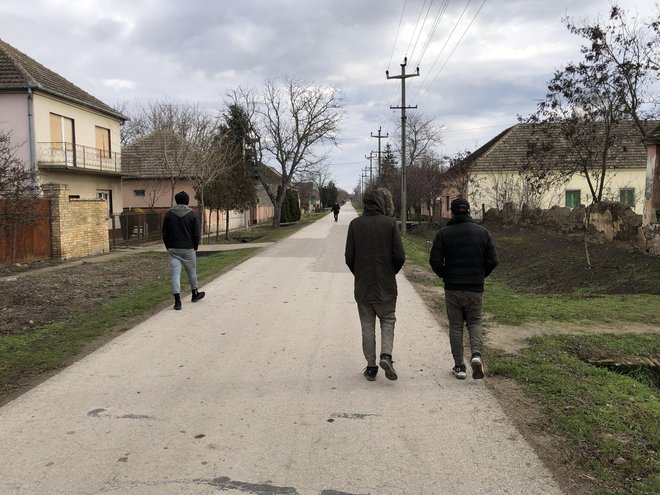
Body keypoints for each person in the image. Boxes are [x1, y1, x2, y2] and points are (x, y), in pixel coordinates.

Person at [429, 197, 498, 380]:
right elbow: (493, 260)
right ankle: (476, 356)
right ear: (468, 211)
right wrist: (481, 275)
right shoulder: (483, 233)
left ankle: (459, 366)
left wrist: (444, 274)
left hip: (452, 287)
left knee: (456, 326)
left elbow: (434, 260)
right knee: (474, 323)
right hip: (475, 288)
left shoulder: (443, 234)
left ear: (452, 212)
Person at [345, 189, 405, 381]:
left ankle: (371, 367)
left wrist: (359, 273)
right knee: (388, 319)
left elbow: (349, 257)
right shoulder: (390, 224)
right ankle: (386, 355)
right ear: (381, 203)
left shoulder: (355, 225)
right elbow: (400, 256)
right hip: (386, 284)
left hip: (363, 285)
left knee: (367, 325)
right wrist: (390, 272)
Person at [162, 191, 205, 310]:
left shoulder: (169, 214)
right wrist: (195, 246)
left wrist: (168, 246)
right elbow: (196, 234)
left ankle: (177, 301)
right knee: (192, 272)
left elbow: (164, 233)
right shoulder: (192, 214)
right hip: (188, 248)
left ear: (176, 200)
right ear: (187, 201)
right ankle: (195, 294)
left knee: (175, 274)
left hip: (173, 249)